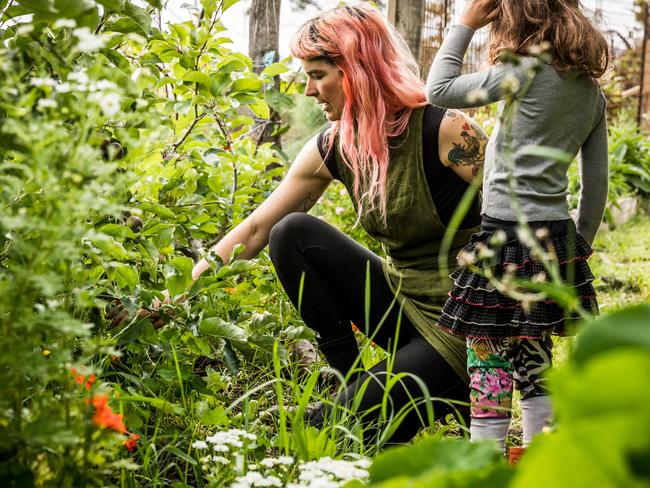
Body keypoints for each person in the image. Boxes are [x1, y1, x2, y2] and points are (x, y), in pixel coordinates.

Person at [155, 5, 488, 444]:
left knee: (329, 431)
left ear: (357, 71)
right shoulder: (336, 145)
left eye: (317, 74)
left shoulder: (445, 129)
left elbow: (526, 212)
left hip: (465, 328)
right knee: (291, 233)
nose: (309, 90)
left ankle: (404, 398)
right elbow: (255, 231)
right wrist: (175, 297)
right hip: (404, 306)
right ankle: (348, 381)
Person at [425, 0, 609, 450]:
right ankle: (537, 462)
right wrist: (576, 244)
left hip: (503, 235)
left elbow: (439, 89)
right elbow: (596, 183)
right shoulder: (590, 93)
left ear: (513, 20)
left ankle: (484, 465)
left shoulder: (522, 72)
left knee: (487, 358)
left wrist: (466, 22)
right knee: (534, 355)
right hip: (554, 239)